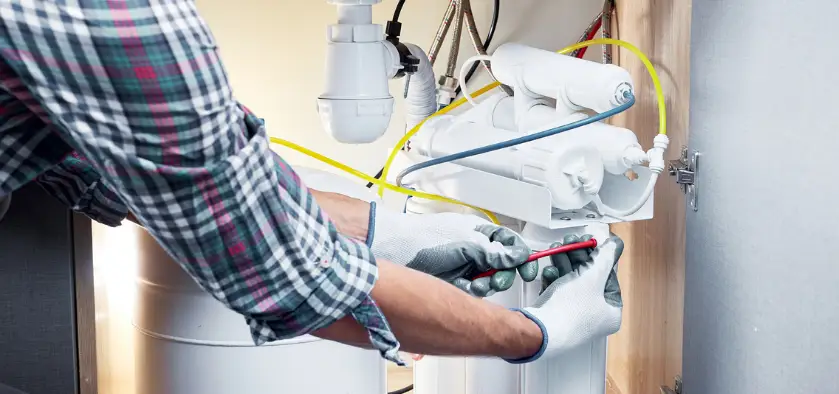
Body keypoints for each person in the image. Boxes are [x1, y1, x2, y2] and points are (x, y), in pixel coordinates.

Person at [0, 0, 623, 365]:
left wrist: (394, 231)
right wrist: (542, 333)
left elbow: (179, 179)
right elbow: (290, 275)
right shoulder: (117, 23)